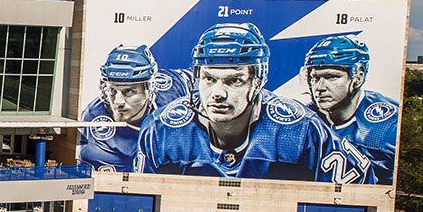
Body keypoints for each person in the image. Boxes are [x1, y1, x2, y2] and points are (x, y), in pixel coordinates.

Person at [136, 23, 372, 183]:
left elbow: (360, 189)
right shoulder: (162, 128)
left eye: (234, 80)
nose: (217, 93)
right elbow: (139, 199)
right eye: (209, 78)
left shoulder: (300, 129)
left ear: (257, 81)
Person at [301, 35, 399, 184]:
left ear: (358, 77)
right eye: (315, 78)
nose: (319, 87)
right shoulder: (306, 118)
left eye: (331, 77)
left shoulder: (385, 126)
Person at [79, 44, 193, 171]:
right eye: (112, 90)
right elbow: (126, 184)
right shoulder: (95, 124)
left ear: (150, 88)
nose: (117, 101)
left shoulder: (171, 85)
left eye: (128, 91)